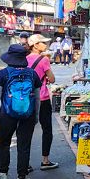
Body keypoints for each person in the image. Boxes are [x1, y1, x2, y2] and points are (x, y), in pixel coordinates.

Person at [0, 43, 41, 179]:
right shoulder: (32, 74)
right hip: (28, 114)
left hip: (7, 114)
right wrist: (36, 115)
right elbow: (37, 98)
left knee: (4, 143)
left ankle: (3, 174)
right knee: (24, 146)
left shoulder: (3, 73)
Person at [26, 33, 59, 171]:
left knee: (26, 131)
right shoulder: (44, 60)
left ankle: (25, 163)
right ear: (35, 45)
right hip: (43, 98)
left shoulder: (24, 58)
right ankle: (45, 160)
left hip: (27, 98)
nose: (45, 44)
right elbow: (52, 79)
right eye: (42, 42)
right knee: (47, 129)